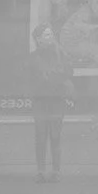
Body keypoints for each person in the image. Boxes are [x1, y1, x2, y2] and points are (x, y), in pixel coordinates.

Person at [29, 23, 73, 182]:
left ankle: (56, 171)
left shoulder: (60, 54)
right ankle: (41, 171)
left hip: (56, 101)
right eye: (47, 35)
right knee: (40, 137)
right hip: (41, 103)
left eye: (51, 34)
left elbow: (68, 72)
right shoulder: (33, 57)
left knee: (55, 136)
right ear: (38, 39)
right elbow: (39, 78)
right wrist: (55, 76)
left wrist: (56, 75)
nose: (50, 37)